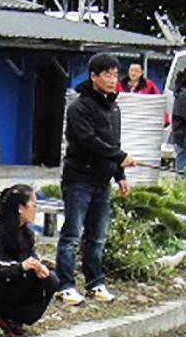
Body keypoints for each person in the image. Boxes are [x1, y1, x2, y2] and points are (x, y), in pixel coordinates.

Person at [56, 52, 137, 306]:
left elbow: (113, 143)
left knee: (98, 236)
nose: (113, 80)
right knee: (72, 234)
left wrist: (120, 174)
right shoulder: (78, 107)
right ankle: (65, 285)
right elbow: (89, 141)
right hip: (79, 179)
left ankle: (95, 283)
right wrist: (120, 156)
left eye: (116, 74)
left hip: (102, 182)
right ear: (94, 76)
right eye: (107, 74)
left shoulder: (114, 108)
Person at [0, 183, 58, 336]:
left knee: (50, 280)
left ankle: (13, 319)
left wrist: (40, 267)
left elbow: (32, 258)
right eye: (33, 205)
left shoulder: (27, 233)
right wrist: (19, 267)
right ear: (20, 208)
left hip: (10, 283)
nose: (36, 209)